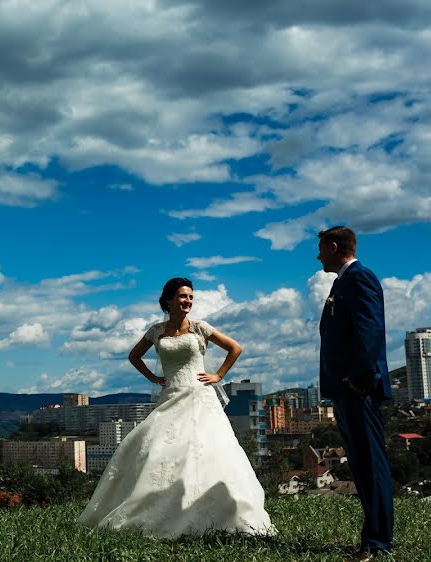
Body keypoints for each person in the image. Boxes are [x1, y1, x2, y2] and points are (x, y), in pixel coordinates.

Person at [77, 277, 274, 539]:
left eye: (191, 297)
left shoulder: (200, 328)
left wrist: (218, 375)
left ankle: (214, 510)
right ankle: (160, 504)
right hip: (171, 396)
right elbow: (133, 356)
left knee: (204, 450)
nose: (188, 301)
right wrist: (153, 378)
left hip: (199, 398)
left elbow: (235, 348)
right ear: (168, 300)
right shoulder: (156, 331)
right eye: (183, 296)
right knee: (157, 450)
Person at [317, 226, 393, 560]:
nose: (318, 255)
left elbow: (370, 330)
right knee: (361, 465)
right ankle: (373, 538)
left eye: (321, 248)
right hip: (346, 390)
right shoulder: (342, 282)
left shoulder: (360, 278)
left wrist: (360, 380)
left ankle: (377, 542)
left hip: (358, 390)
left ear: (334, 247)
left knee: (370, 464)